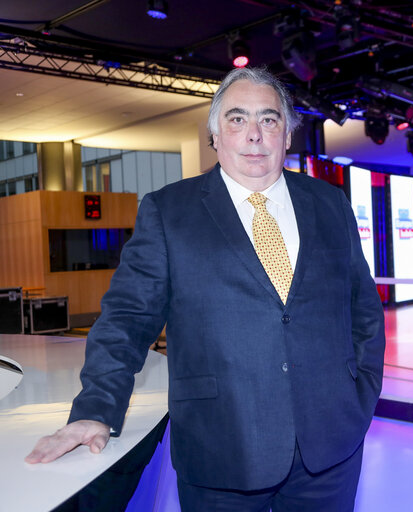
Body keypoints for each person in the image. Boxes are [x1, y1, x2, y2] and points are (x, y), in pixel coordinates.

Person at [26, 66, 386, 511]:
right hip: (222, 452)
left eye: (269, 119)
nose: (254, 134)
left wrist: (362, 394)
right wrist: (95, 410)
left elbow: (363, 310)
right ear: (215, 135)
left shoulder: (330, 204)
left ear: (287, 135)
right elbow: (126, 321)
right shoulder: (169, 211)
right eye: (237, 119)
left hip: (331, 449)